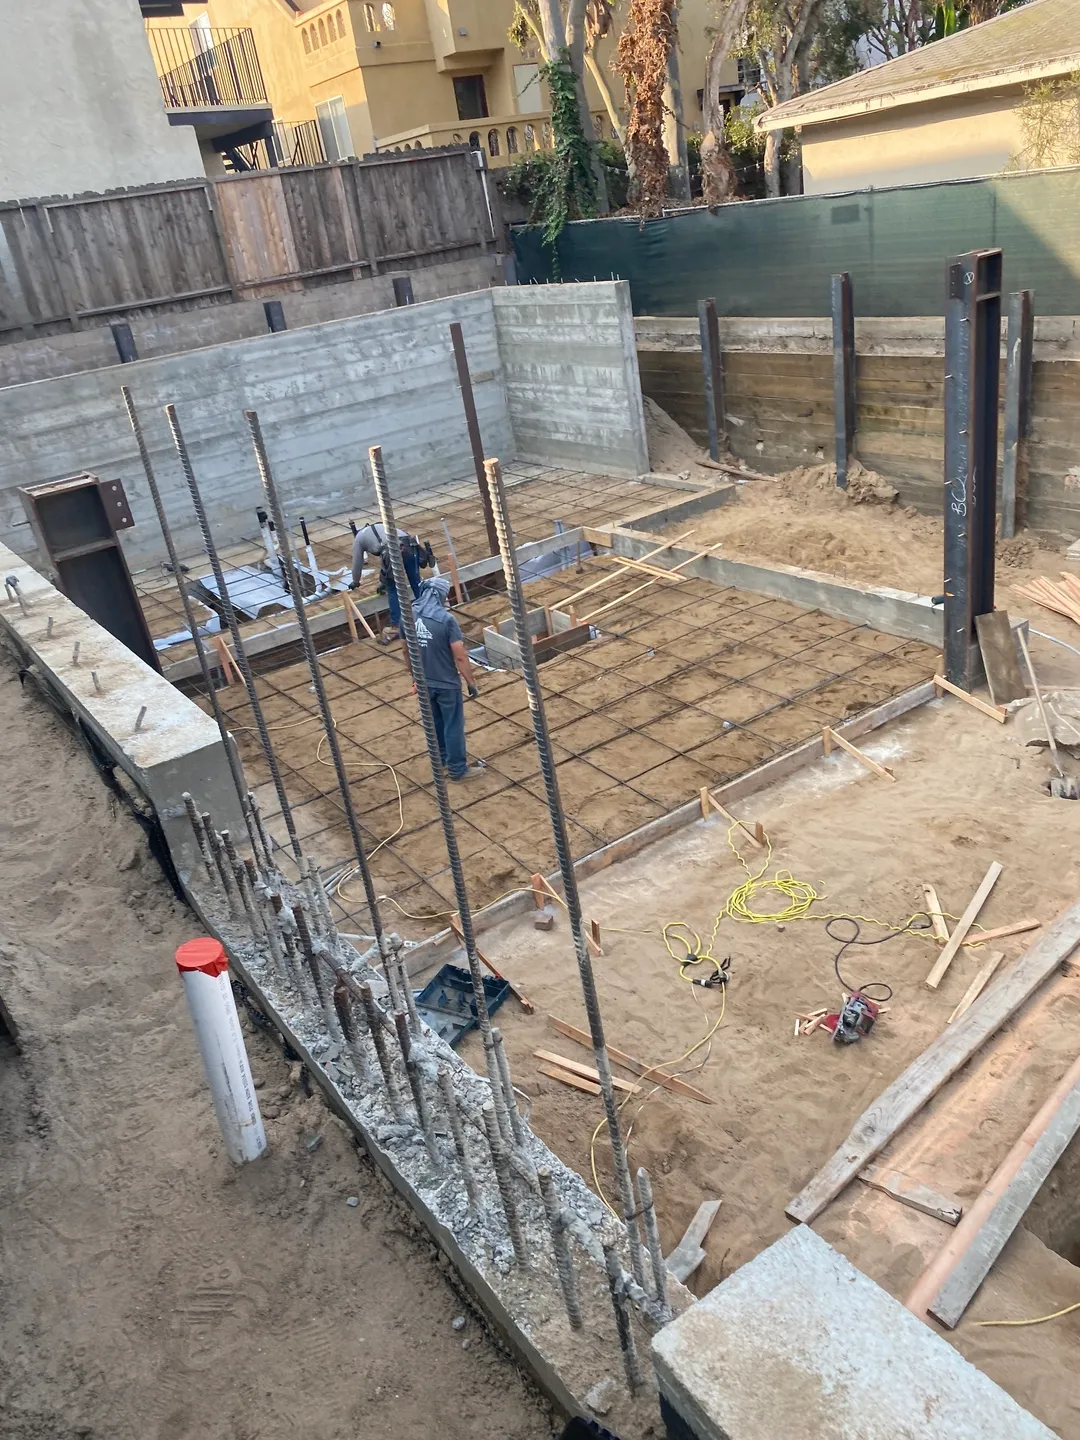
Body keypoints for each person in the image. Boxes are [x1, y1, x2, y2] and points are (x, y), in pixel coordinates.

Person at [409, 576, 483, 781]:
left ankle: (441, 760)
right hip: (446, 683)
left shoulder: (412, 613)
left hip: (424, 681)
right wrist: (471, 683)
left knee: (435, 722)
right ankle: (457, 769)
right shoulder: (445, 619)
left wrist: (414, 676)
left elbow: (406, 648)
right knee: (453, 725)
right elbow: (459, 655)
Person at [350, 522, 432, 644]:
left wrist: (355, 581)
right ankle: (430, 614)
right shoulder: (379, 527)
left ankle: (396, 627)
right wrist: (384, 583)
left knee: (392, 589)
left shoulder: (359, 539)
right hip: (409, 544)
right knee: (416, 583)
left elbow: (357, 562)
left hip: (392, 549)